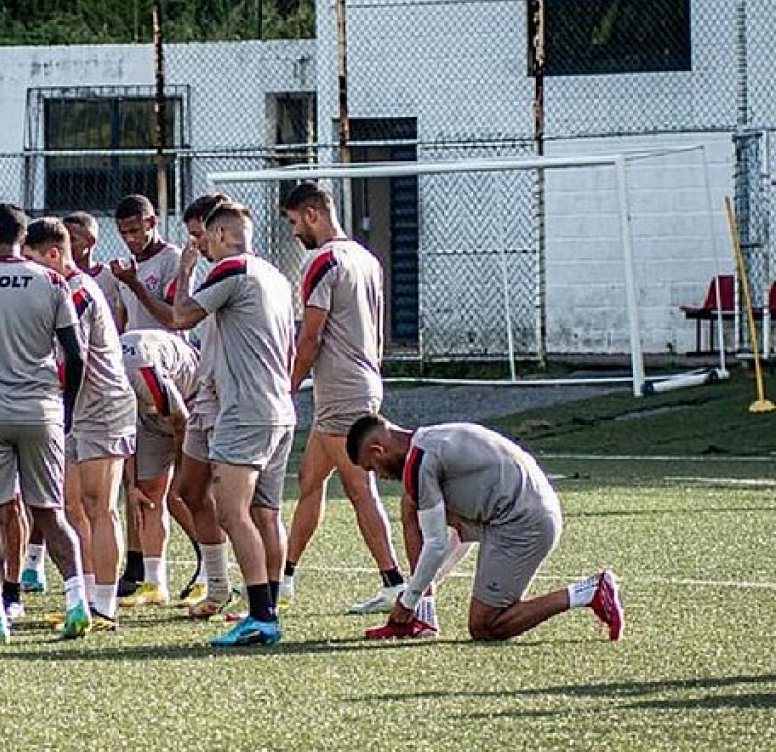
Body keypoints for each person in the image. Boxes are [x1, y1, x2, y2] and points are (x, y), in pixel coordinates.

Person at [116, 201, 297, 646]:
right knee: (193, 490)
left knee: (237, 511)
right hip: (251, 403)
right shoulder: (273, 275)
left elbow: (179, 318)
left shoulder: (229, 268)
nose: (194, 245)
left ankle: (262, 614)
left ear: (218, 235)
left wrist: (180, 274)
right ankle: (227, 591)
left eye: (200, 237)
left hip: (244, 409)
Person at [0, 203, 93, 644]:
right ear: (24, 239)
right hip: (40, 410)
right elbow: (74, 354)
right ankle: (76, 601)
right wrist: (64, 406)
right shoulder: (51, 280)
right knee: (50, 513)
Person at [346, 416, 625, 642]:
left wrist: (407, 601)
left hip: (523, 522)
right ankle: (424, 618)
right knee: (410, 503)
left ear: (377, 450)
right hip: (524, 507)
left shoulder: (420, 462)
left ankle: (589, 591)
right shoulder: (431, 437)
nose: (380, 477)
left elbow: (436, 544)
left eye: (373, 469)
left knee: (485, 626)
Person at [278, 181, 407, 615]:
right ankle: (284, 577)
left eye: (296, 222)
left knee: (359, 489)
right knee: (310, 481)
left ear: (313, 214)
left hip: (342, 391)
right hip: (359, 382)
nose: (295, 232)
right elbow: (379, 326)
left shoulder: (323, 261)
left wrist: (286, 387)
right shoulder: (366, 258)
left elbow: (310, 335)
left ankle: (394, 583)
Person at [22, 217, 137, 630]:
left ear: (55, 255)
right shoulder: (56, 291)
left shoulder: (79, 293)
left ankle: (106, 603)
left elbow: (76, 360)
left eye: (33, 260)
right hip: (74, 407)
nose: (28, 270)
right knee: (72, 506)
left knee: (100, 507)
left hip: (103, 406)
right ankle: (85, 598)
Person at [107, 194, 184, 598]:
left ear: (153, 221)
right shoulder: (127, 269)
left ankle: (212, 564)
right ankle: (145, 573)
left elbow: (171, 316)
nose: (131, 239)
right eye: (123, 233)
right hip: (132, 378)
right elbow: (123, 319)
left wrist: (135, 284)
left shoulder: (170, 260)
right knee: (140, 485)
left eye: (136, 230)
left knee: (183, 489)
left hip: (166, 373)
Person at [118, 328, 214, 607]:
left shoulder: (141, 369)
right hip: (150, 415)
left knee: (190, 494)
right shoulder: (98, 378)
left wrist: (185, 474)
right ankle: (154, 584)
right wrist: (132, 485)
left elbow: (180, 421)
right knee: (148, 495)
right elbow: (123, 435)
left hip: (191, 404)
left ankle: (210, 578)